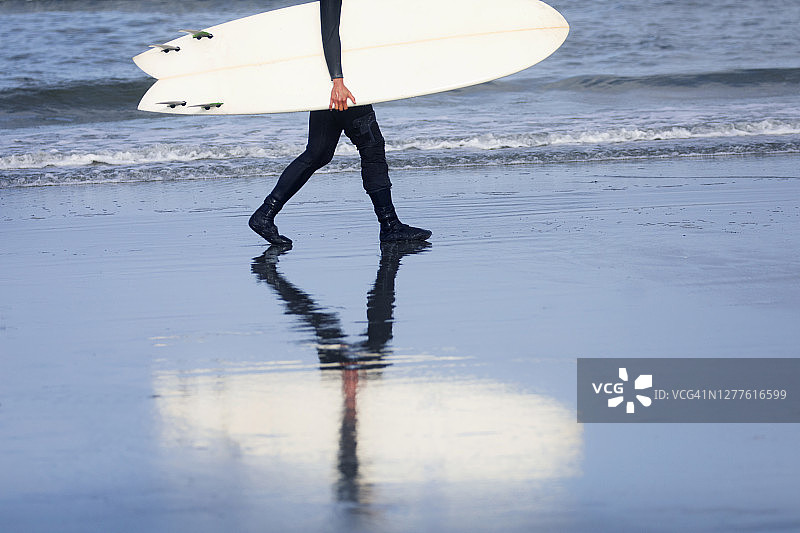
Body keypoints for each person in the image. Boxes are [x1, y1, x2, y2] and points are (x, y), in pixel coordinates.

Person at [249, 0, 432, 245]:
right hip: (340, 86)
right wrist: (338, 81)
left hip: (331, 84)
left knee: (318, 153)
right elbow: (329, 30)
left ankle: (264, 215)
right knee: (372, 147)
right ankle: (390, 225)